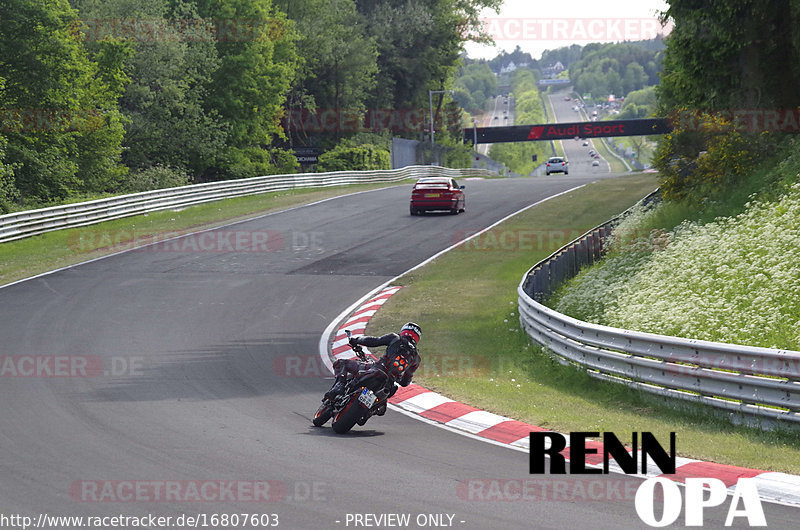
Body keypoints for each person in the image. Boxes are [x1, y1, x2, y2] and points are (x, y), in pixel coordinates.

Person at [324, 322, 422, 403]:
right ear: (417, 338)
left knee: (341, 363)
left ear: (404, 331)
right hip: (389, 384)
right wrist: (398, 378)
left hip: (376, 368)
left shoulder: (395, 338)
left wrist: (356, 340)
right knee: (385, 399)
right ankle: (372, 408)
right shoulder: (416, 358)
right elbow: (405, 382)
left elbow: (374, 341)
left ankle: (339, 386)